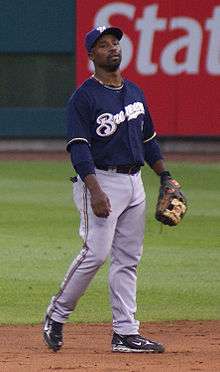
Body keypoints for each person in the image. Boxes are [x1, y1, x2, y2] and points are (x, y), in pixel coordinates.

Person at [43, 25, 175, 353]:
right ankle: (56, 314)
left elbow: (149, 141)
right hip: (100, 180)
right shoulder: (83, 97)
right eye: (103, 45)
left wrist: (166, 176)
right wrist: (95, 190)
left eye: (115, 43)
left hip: (135, 182)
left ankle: (125, 333)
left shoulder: (134, 92)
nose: (112, 48)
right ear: (91, 55)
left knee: (128, 258)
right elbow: (78, 147)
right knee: (96, 253)